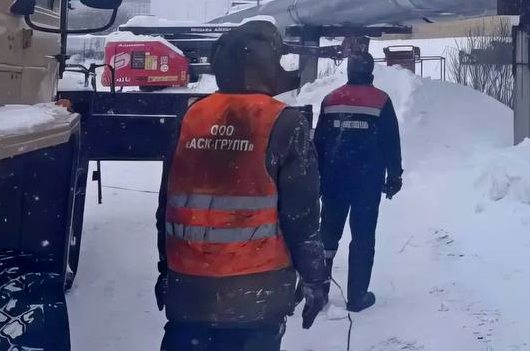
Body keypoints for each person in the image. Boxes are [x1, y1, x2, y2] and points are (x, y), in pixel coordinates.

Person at [154, 19, 330, 350]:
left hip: (189, 291)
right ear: (262, 67)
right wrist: (315, 278)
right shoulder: (286, 123)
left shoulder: (191, 117)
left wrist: (166, 270)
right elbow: (301, 218)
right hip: (256, 296)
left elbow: (166, 207)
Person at [313, 51, 403, 312]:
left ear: (349, 72)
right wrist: (394, 175)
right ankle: (357, 296)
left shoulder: (331, 100)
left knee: (327, 236)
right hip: (367, 182)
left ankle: (318, 293)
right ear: (371, 73)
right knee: (363, 238)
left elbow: (319, 143)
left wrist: (316, 178)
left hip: (333, 181)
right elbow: (390, 141)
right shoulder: (381, 101)